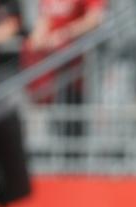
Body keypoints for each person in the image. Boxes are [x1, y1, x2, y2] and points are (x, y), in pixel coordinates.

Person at [26, 0, 105, 143]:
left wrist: (65, 34)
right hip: (52, 72)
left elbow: (94, 19)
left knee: (73, 130)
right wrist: (37, 39)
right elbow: (43, 21)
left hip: (77, 71)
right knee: (55, 128)